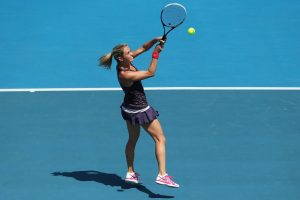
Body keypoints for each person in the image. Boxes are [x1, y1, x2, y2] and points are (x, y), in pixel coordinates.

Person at [99, 37, 179, 188]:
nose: (132, 54)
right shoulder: (125, 74)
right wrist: (156, 54)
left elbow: (142, 47)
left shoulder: (123, 62)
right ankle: (162, 175)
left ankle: (130, 172)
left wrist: (155, 40)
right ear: (121, 58)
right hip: (140, 110)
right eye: (129, 53)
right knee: (160, 139)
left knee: (132, 140)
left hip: (128, 109)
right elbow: (150, 73)